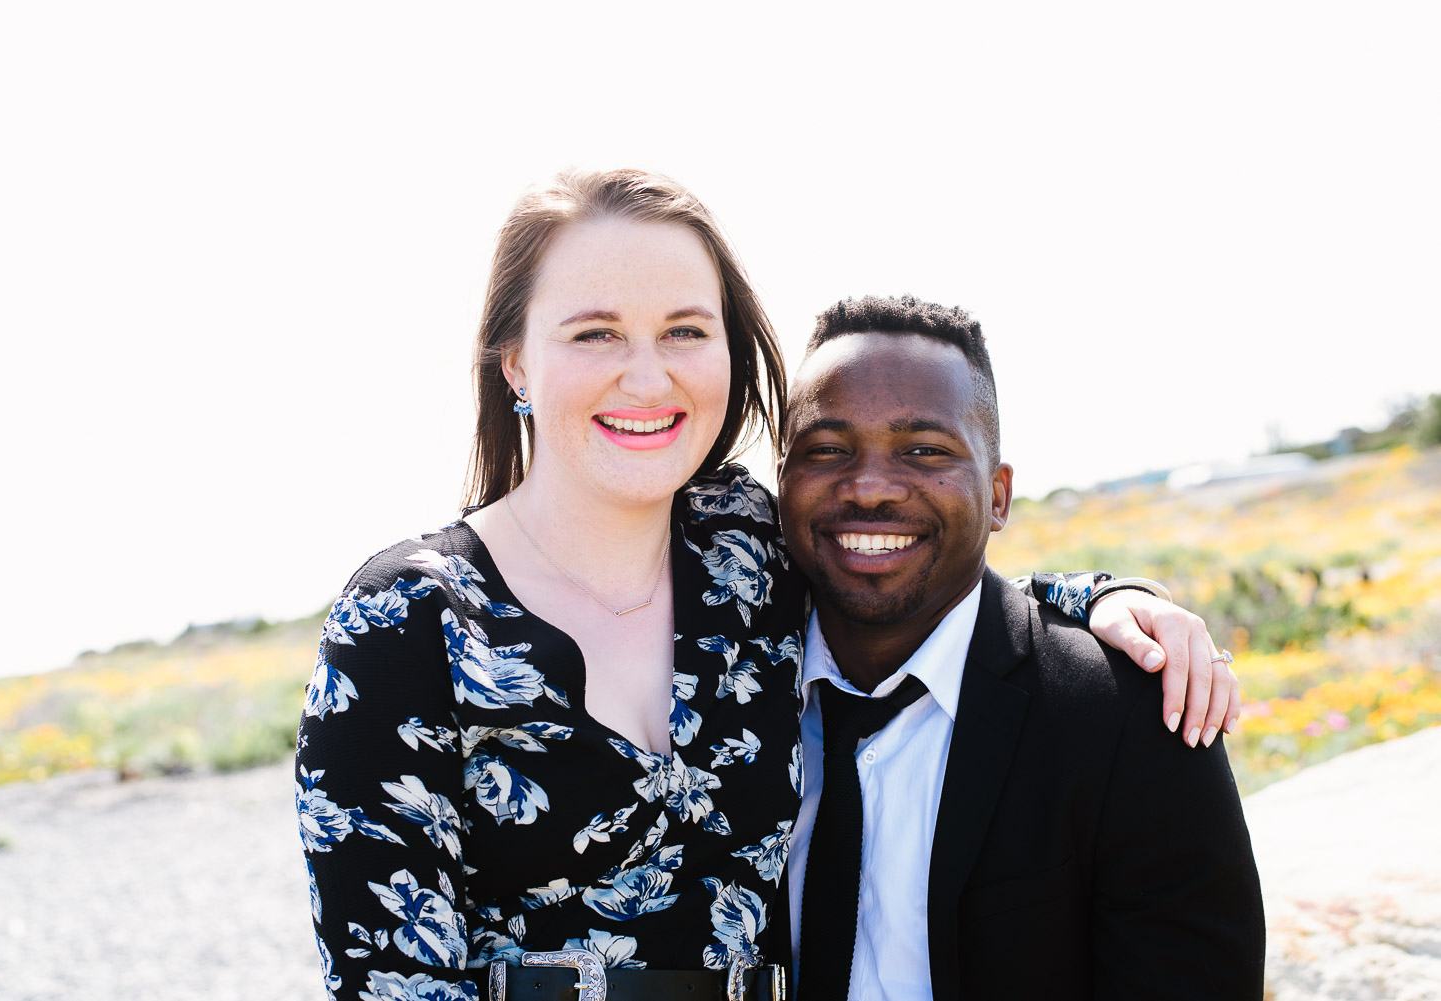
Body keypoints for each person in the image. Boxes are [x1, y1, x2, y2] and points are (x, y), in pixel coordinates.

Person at [296, 170, 1238, 1001]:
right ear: (516, 363)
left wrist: (1111, 600)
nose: (646, 373)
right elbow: (387, 969)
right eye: (594, 333)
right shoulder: (407, 620)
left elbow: (914, 564)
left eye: (684, 330)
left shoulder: (743, 555)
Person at [780, 296, 1264, 1001]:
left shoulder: (1127, 714)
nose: (871, 487)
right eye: (827, 449)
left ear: (999, 495)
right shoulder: (722, 684)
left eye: (925, 450)